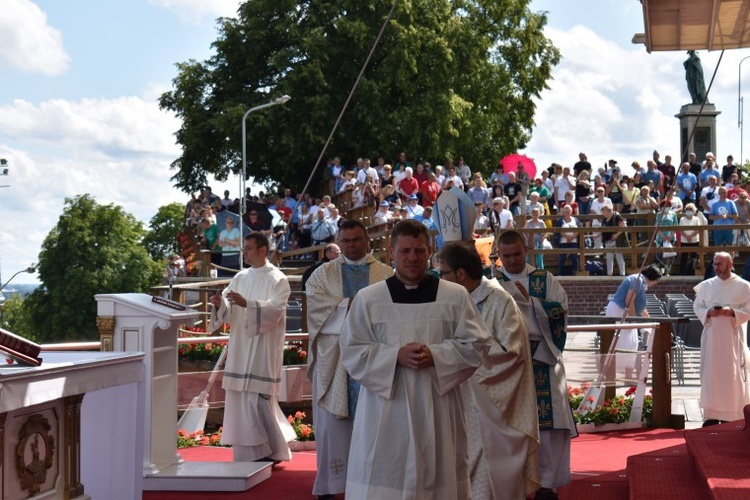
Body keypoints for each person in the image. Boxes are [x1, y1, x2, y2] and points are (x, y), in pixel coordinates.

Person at [339, 220, 490, 498]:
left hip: (438, 407)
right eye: (405, 250)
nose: (412, 257)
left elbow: (477, 343)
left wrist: (437, 355)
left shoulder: (454, 296)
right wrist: (394, 355)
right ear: (391, 251)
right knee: (386, 475)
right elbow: (351, 350)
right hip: (385, 412)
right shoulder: (369, 299)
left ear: (429, 251)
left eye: (419, 251)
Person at [436, 243, 540, 499]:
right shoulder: (448, 300)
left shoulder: (499, 301)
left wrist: (458, 356)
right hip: (456, 401)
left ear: (460, 274)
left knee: (484, 484)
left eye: (443, 273)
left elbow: (510, 354)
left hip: (490, 409)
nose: (439, 280)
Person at [305, 220, 393, 499]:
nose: (351, 245)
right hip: (335, 358)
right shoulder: (322, 274)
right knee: (333, 426)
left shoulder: (387, 274)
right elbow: (316, 309)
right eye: (346, 241)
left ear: (368, 241)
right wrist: (350, 305)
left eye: (356, 239)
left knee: (376, 423)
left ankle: (374, 484)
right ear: (339, 243)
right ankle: (331, 484)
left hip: (373, 355)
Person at [494, 230, 576, 500]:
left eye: (517, 254)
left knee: (547, 424)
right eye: (506, 256)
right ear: (499, 254)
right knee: (510, 423)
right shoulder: (492, 282)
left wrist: (532, 304)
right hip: (506, 360)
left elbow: (560, 311)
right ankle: (511, 481)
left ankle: (547, 484)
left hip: (541, 354)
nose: (513, 260)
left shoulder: (543, 279)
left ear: (526, 250)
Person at [209, 233, 295, 462]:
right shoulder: (240, 277)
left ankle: (272, 451)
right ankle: (252, 452)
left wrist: (249, 304)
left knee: (257, 400)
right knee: (240, 399)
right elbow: (227, 310)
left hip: (263, 347)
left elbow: (276, 311)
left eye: (248, 248)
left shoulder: (278, 278)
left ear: (263, 250)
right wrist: (220, 305)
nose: (244, 252)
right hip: (240, 345)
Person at [694, 252, 750, 426]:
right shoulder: (706, 285)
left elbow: (748, 310)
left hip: (733, 339)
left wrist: (732, 312)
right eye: (714, 264)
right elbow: (698, 306)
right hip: (712, 339)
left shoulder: (743, 286)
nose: (716, 267)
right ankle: (711, 416)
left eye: (720, 264)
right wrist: (709, 312)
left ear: (730, 264)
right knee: (712, 374)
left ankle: (732, 416)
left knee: (731, 376)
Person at [605, 265, 663, 379]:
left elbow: (640, 307)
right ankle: (626, 376)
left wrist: (649, 318)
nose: (656, 283)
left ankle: (628, 375)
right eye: (656, 280)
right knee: (628, 343)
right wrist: (633, 320)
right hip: (619, 311)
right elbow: (629, 300)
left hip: (624, 312)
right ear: (652, 277)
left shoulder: (640, 281)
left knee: (631, 343)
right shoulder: (637, 280)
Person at [600, 206, 627, 276]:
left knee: (619, 257)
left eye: (604, 211)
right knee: (609, 259)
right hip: (607, 242)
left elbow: (624, 226)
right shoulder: (604, 219)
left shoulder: (617, 216)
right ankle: (609, 274)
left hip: (616, 241)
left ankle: (622, 274)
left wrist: (616, 235)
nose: (603, 213)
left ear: (608, 211)